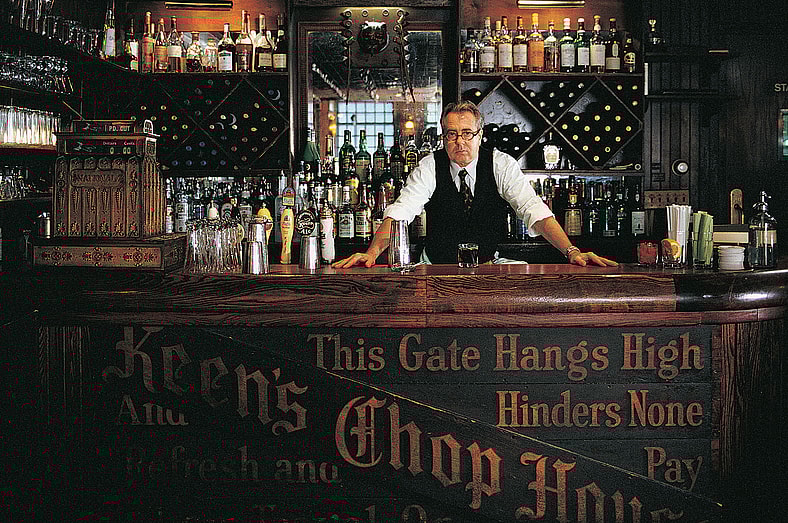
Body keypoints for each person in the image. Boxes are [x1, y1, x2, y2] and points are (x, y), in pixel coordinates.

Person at [332, 101, 617, 268]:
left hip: (486, 267)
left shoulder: (501, 164)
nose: (460, 141)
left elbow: (534, 210)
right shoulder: (430, 165)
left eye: (467, 133)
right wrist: (372, 253)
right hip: (436, 268)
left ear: (480, 135)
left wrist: (571, 251)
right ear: (443, 137)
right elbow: (400, 213)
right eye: (452, 134)